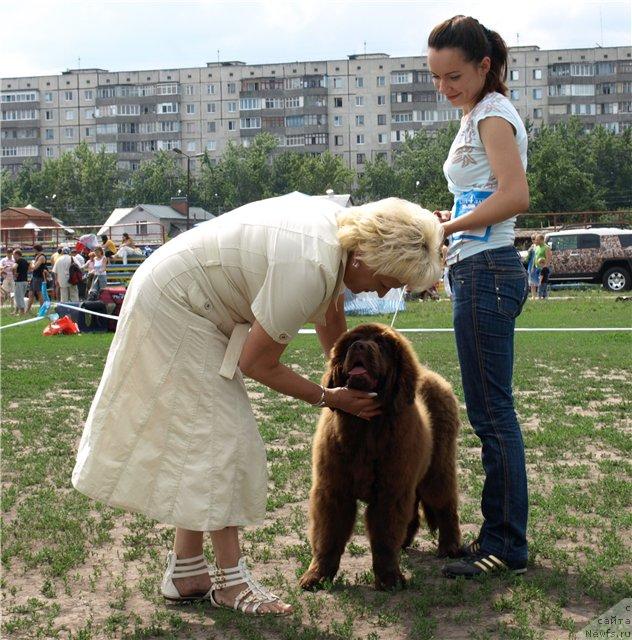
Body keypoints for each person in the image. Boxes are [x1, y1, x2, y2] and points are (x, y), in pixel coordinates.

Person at [72, 193, 443, 615]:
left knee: (199, 437)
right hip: (178, 307)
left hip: (186, 298)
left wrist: (342, 368)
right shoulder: (311, 265)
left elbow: (332, 317)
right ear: (369, 255)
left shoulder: (338, 236)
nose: (385, 292)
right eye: (390, 279)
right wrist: (331, 397)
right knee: (224, 438)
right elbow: (257, 363)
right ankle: (231, 582)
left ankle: (187, 569)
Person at [428, 15, 530, 579]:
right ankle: (500, 537)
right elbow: (483, 194)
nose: (445, 88)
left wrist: (448, 229)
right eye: (437, 78)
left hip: (488, 271)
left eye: (454, 76)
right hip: (478, 270)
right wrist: (454, 219)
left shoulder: (491, 114)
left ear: (483, 65)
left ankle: (505, 545)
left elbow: (516, 196)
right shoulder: (477, 113)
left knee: (493, 416)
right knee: (491, 413)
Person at [26, 244, 47, 313]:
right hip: (34, 277)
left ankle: (42, 310)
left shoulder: (42, 257)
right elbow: (32, 269)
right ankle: (27, 310)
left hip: (39, 277)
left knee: (39, 294)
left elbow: (35, 267)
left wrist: (32, 263)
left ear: (36, 249)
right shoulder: (37, 256)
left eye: (34, 249)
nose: (33, 250)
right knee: (30, 293)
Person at [12, 249, 29, 316]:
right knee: (20, 296)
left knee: (18, 297)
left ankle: (22, 312)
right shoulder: (25, 260)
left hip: (19, 281)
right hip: (25, 280)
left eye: (13, 254)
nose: (13, 256)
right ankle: (16, 311)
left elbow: (13, 267)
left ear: (17, 254)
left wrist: (14, 273)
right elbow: (29, 268)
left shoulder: (18, 260)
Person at [525, 233, 539, 299]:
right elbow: (528, 255)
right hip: (531, 264)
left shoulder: (540, 246)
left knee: (539, 280)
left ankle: (540, 295)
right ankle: (533, 296)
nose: (533, 240)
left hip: (537, 264)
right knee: (532, 281)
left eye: (534, 239)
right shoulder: (532, 246)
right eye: (532, 239)